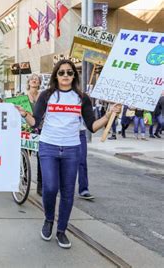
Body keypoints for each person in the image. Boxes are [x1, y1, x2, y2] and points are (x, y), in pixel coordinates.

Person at [17, 60, 120, 249]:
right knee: (50, 188)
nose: (66, 76)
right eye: (62, 72)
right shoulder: (47, 95)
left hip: (72, 149)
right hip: (48, 147)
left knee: (67, 192)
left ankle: (62, 230)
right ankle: (49, 220)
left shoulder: (82, 98)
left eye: (70, 73)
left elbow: (92, 126)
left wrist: (107, 116)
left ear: (74, 76)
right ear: (56, 75)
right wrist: (24, 114)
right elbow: (35, 122)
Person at [26, 73, 43, 196]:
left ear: (39, 83)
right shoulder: (22, 96)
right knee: (25, 154)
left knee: (41, 157)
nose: (34, 81)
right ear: (28, 82)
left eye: (36, 79)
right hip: (27, 129)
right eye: (32, 79)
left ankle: (40, 185)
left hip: (41, 128)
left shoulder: (43, 96)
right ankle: (24, 177)